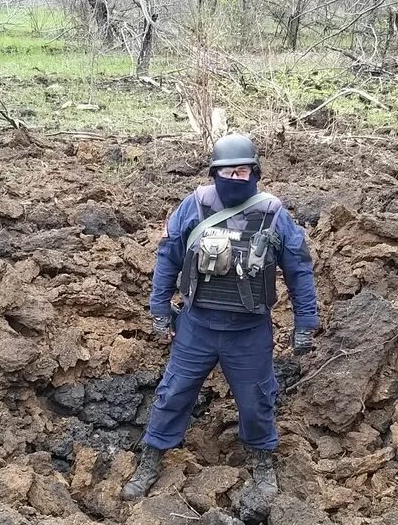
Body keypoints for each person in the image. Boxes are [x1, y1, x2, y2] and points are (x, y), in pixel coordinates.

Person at [122, 133, 319, 501]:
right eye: (227, 172)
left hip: (249, 332)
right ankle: (150, 458)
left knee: (257, 400)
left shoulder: (274, 214)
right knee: (172, 394)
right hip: (196, 327)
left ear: (255, 172)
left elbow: (299, 270)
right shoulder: (194, 207)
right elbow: (168, 256)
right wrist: (159, 308)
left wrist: (305, 324)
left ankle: (262, 463)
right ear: (214, 173)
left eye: (243, 171)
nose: (235, 178)